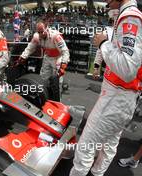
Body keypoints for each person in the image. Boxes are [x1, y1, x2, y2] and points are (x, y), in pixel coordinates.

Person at [70, 0, 142, 175]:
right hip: (124, 97)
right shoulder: (127, 15)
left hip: (117, 97)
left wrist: (103, 43)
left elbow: (127, 68)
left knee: (85, 148)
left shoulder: (130, 17)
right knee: (109, 145)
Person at [18, 21, 70, 90]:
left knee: (57, 80)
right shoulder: (36, 36)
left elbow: (65, 51)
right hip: (47, 56)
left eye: (42, 31)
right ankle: (45, 95)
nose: (40, 34)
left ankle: (57, 97)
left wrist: (63, 64)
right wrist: (22, 57)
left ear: (47, 29)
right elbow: (30, 48)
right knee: (43, 78)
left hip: (58, 57)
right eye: (38, 32)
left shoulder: (55, 36)